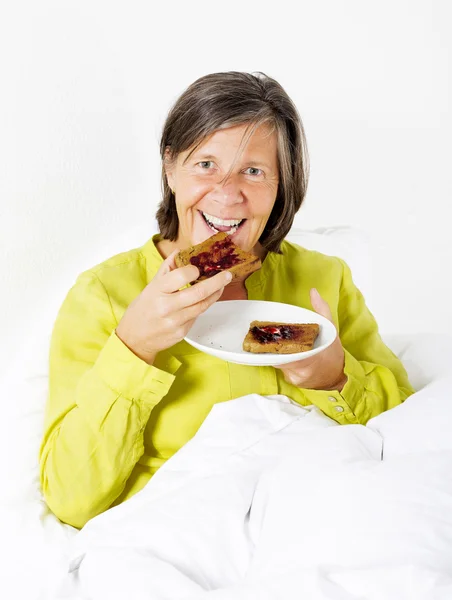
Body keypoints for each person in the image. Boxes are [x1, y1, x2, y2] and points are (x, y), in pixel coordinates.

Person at [39, 71, 414, 529]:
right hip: (171, 532)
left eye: (253, 171)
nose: (226, 193)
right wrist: (134, 346)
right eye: (206, 165)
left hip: (311, 522)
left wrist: (331, 377)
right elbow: (70, 499)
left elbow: (410, 442)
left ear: (281, 186)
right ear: (170, 167)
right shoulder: (102, 295)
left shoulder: (323, 279)